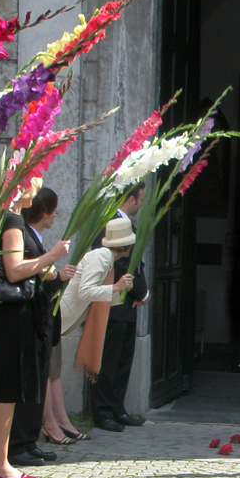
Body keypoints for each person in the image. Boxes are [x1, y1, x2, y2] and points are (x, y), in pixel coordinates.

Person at [0, 182, 70, 478]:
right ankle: (0, 464)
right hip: (15, 314)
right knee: (6, 389)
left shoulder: (1, 216)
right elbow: (14, 269)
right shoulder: (13, 220)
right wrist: (51, 256)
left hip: (5, 312)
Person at [5, 187, 74, 465]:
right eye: (54, 210)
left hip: (40, 319)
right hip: (26, 317)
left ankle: (29, 440)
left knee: (37, 382)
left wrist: (56, 279)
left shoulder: (30, 234)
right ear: (44, 212)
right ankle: (19, 443)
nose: (56, 215)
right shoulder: (16, 228)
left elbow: (39, 278)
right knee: (26, 384)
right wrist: (53, 258)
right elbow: (18, 271)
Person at [58, 217, 134, 424]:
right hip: (59, 318)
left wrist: (119, 293)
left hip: (64, 319)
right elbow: (85, 291)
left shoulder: (106, 258)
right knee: (50, 376)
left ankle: (57, 423)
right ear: (127, 247)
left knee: (52, 377)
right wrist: (117, 288)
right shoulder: (101, 257)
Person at [89, 183, 150, 432]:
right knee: (109, 360)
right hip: (114, 303)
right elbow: (121, 264)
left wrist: (142, 293)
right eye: (141, 198)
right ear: (132, 199)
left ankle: (117, 408)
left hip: (127, 304)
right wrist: (141, 292)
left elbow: (137, 265)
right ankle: (103, 412)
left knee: (123, 358)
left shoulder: (124, 223)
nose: (141, 203)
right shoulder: (112, 222)